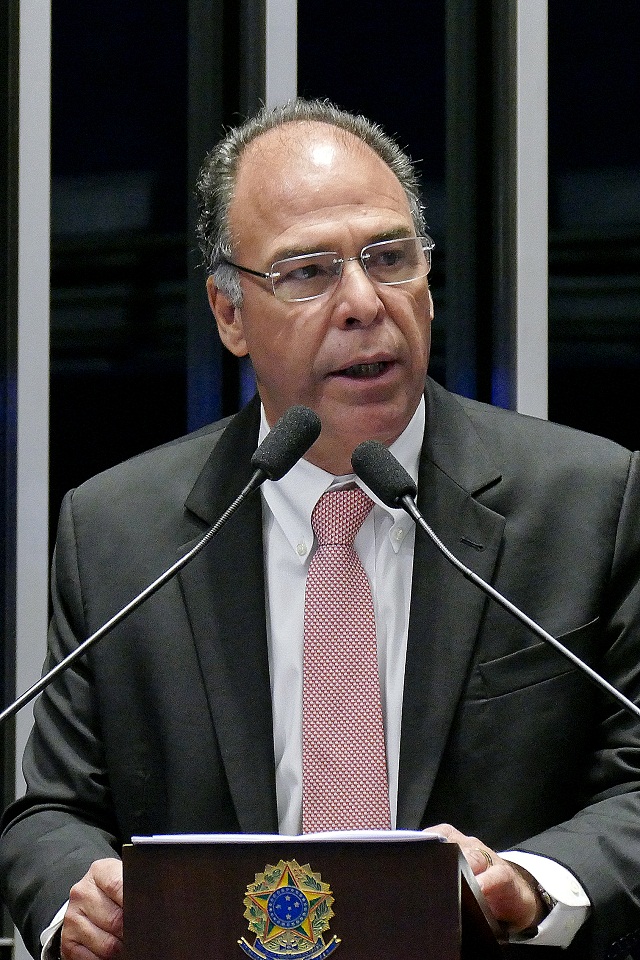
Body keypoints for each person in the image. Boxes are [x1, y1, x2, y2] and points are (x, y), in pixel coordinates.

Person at [1, 98, 640, 960]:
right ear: (230, 315)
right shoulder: (120, 532)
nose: (364, 303)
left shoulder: (587, 501)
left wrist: (532, 882)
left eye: (390, 257)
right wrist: (75, 898)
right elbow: (54, 809)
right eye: (307, 271)